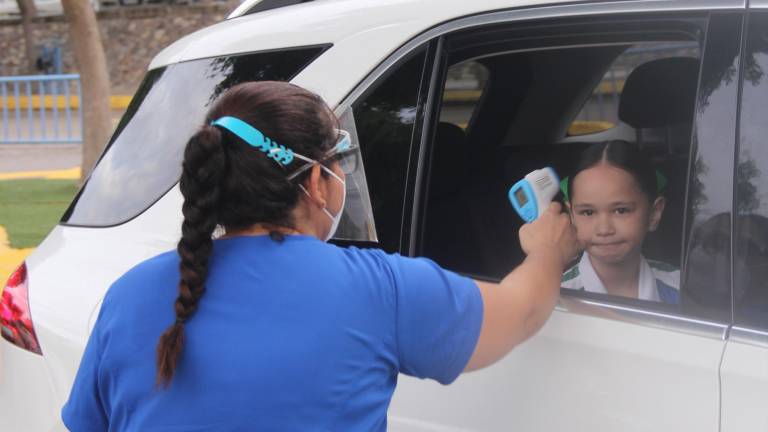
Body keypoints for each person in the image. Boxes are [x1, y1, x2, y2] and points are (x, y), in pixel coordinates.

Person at [61, 81, 579, 431]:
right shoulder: (374, 288)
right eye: (340, 162)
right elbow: (522, 311)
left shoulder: (129, 294)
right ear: (315, 181)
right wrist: (548, 250)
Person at [560, 140, 680, 304]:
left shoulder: (683, 288)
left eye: (621, 210)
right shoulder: (555, 297)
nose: (604, 229)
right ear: (572, 215)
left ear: (654, 213)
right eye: (587, 212)